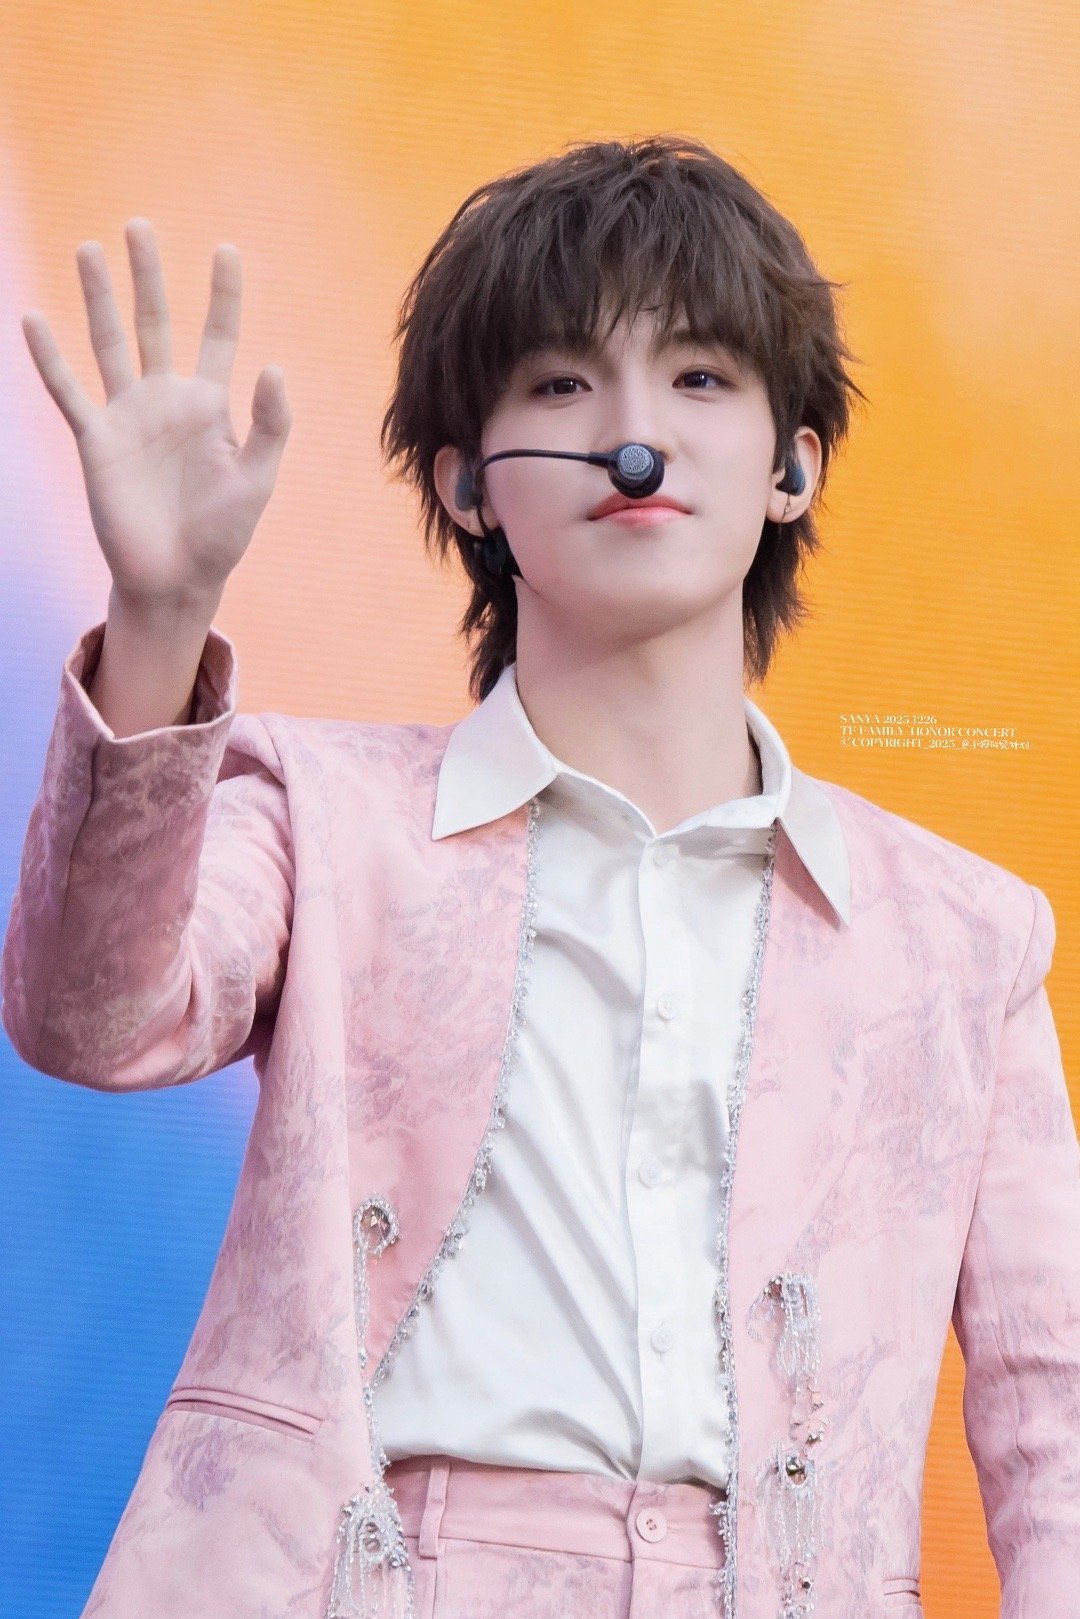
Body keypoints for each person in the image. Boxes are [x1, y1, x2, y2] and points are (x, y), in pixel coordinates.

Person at [3, 134, 1078, 1619]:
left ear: (791, 467)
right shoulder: (317, 815)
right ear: (465, 485)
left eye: (699, 378)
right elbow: (92, 1018)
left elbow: (1053, 1414)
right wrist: (160, 615)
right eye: (564, 385)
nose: (635, 436)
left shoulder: (964, 938)